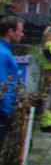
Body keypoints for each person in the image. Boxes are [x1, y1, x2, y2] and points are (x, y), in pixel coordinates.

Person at [0, 17, 23, 147]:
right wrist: (7, 110)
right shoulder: (3, 53)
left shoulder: (5, 50)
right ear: (10, 31)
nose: (22, 34)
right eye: (20, 30)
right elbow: (3, 84)